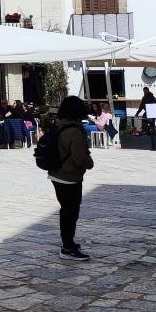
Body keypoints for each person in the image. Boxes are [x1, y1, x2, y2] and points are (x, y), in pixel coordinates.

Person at [48, 96, 94, 261]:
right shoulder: (74, 130)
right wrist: (90, 163)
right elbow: (80, 157)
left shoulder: (58, 125)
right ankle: (67, 247)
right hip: (70, 176)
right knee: (70, 211)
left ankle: (68, 242)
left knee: (66, 210)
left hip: (56, 174)